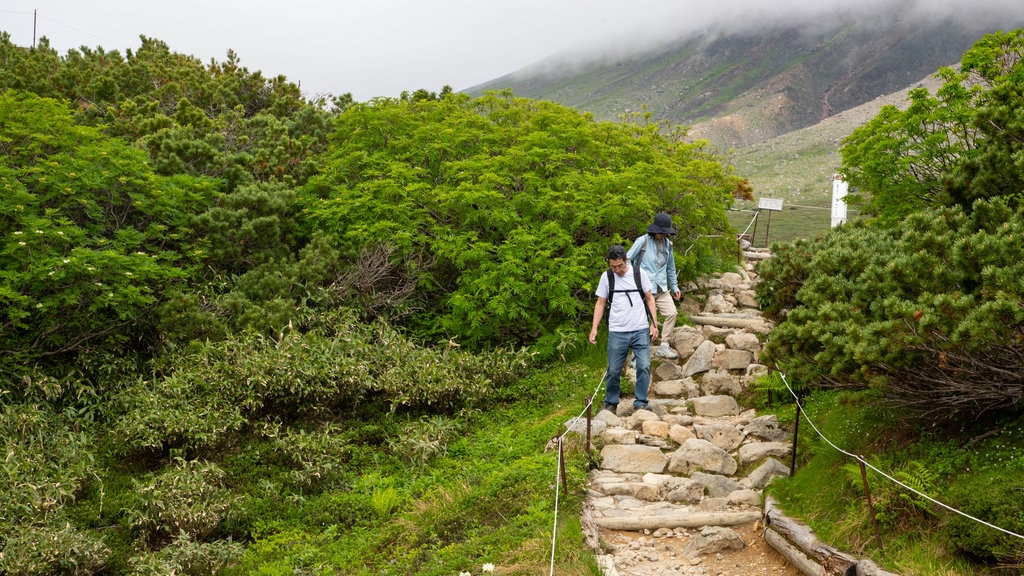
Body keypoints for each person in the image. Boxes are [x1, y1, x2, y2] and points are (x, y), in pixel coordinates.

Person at [588, 244, 660, 413]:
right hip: (617, 330)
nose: (617, 270)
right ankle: (611, 402)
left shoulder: (638, 274)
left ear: (626, 260)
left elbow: (649, 298)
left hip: (640, 328)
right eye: (613, 266)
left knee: (643, 366)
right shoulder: (607, 277)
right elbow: (600, 302)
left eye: (620, 265)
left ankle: (641, 401)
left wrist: (654, 324)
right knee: (613, 370)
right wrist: (594, 328)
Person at [627, 212, 681, 359]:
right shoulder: (642, 241)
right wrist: (632, 279)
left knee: (671, 313)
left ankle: (664, 346)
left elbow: (670, 268)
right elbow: (627, 260)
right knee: (641, 320)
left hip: (661, 288)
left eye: (664, 233)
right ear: (654, 230)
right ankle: (634, 355)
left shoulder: (668, 245)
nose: (662, 235)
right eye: (660, 232)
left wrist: (674, 287)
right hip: (644, 289)